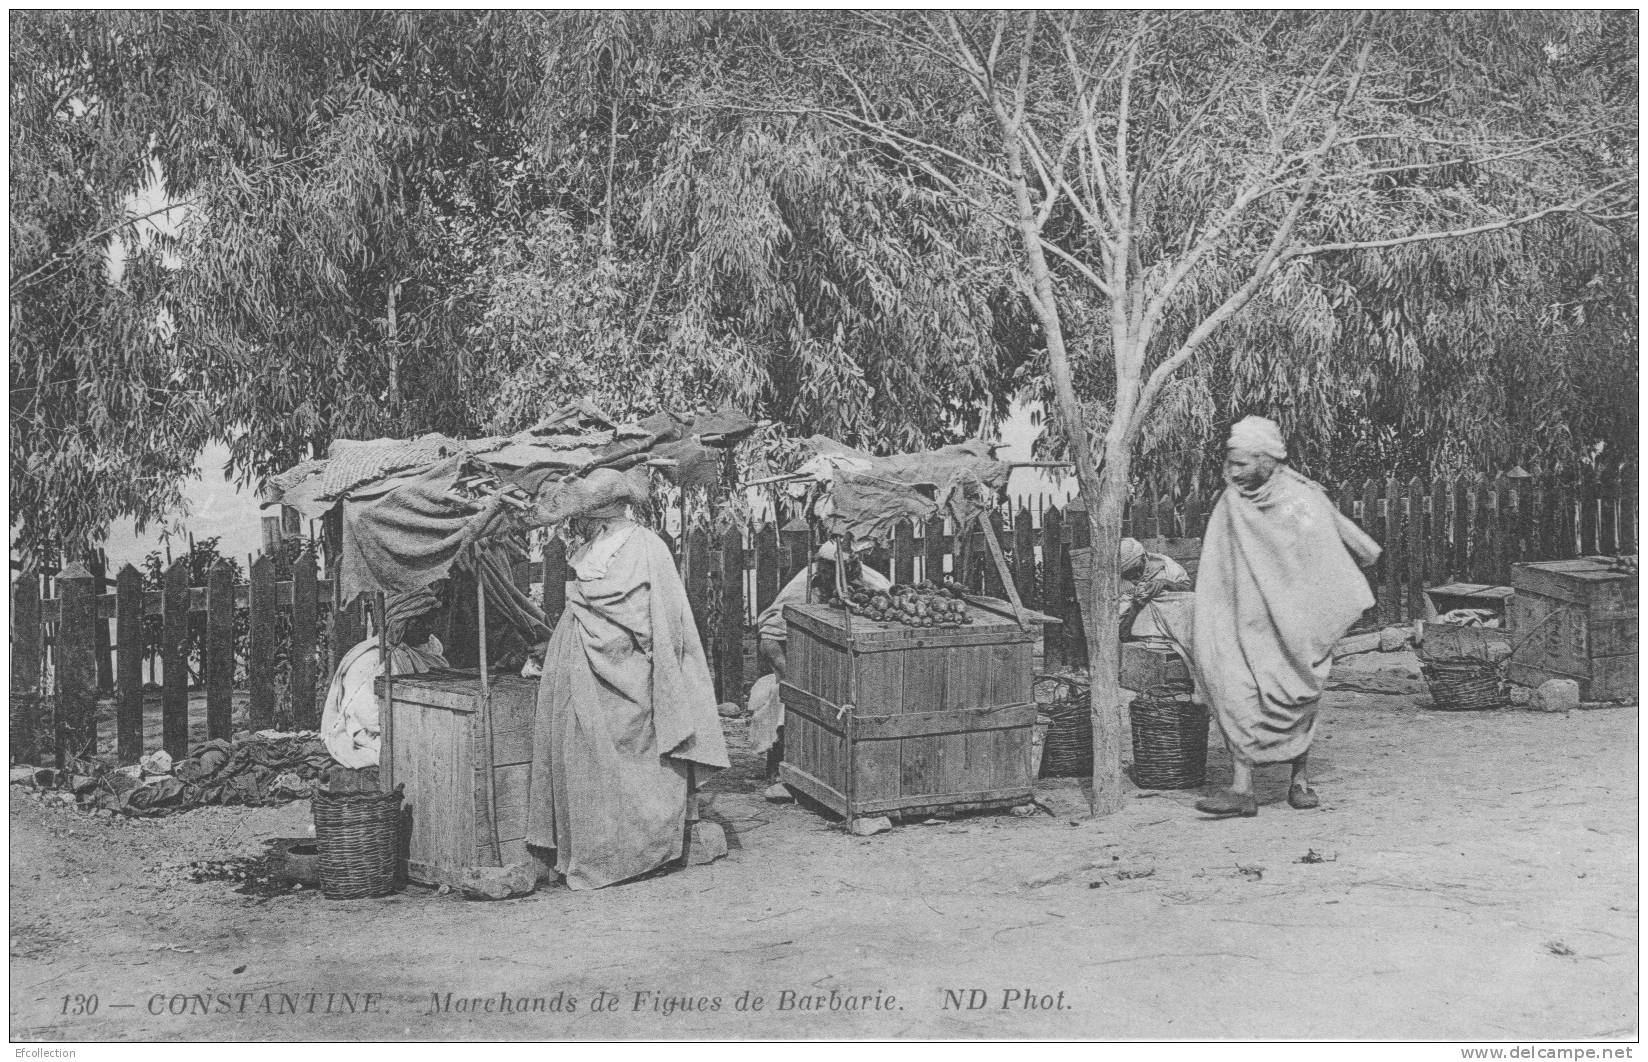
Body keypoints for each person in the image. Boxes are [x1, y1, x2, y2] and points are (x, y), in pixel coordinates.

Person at [525, 468, 730, 889]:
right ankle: (600, 850)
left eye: (581, 516)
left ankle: (632, 848)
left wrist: (658, 668)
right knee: (593, 759)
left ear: (599, 516)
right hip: (589, 668)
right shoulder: (607, 548)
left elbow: (663, 620)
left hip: (625, 668)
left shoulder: (645, 548)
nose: (576, 524)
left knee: (622, 757)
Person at [1191, 415, 1381, 818]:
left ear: (1267, 459)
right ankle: (1242, 790)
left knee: (1297, 694)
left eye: (1241, 463)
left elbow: (1322, 562)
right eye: (1230, 462)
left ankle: (1300, 780)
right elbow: (1219, 566)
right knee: (1236, 690)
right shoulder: (1232, 503)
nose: (1231, 471)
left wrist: (1304, 614)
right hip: (1244, 620)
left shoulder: (1302, 500)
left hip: (1293, 622)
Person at [749, 541, 892, 776]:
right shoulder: (803, 586)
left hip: (852, 672)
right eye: (828, 570)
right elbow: (769, 638)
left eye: (842, 570)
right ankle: (782, 765)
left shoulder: (874, 585)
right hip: (806, 668)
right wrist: (790, 676)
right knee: (784, 702)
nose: (832, 576)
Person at [320, 588, 449, 769]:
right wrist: (413, 725)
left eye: (430, 621)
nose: (429, 628)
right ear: (400, 623)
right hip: (374, 731)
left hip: (416, 724)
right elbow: (366, 714)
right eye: (419, 622)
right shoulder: (372, 659)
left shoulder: (429, 648)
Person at [1117, 537, 1193, 640]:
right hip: (1151, 637)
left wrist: (1166, 583)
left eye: (1139, 568)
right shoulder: (1121, 586)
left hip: (1180, 628)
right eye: (1131, 573)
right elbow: (1121, 634)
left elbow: (1189, 592)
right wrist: (1136, 606)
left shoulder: (1165, 565)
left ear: (1144, 557)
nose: (1138, 575)